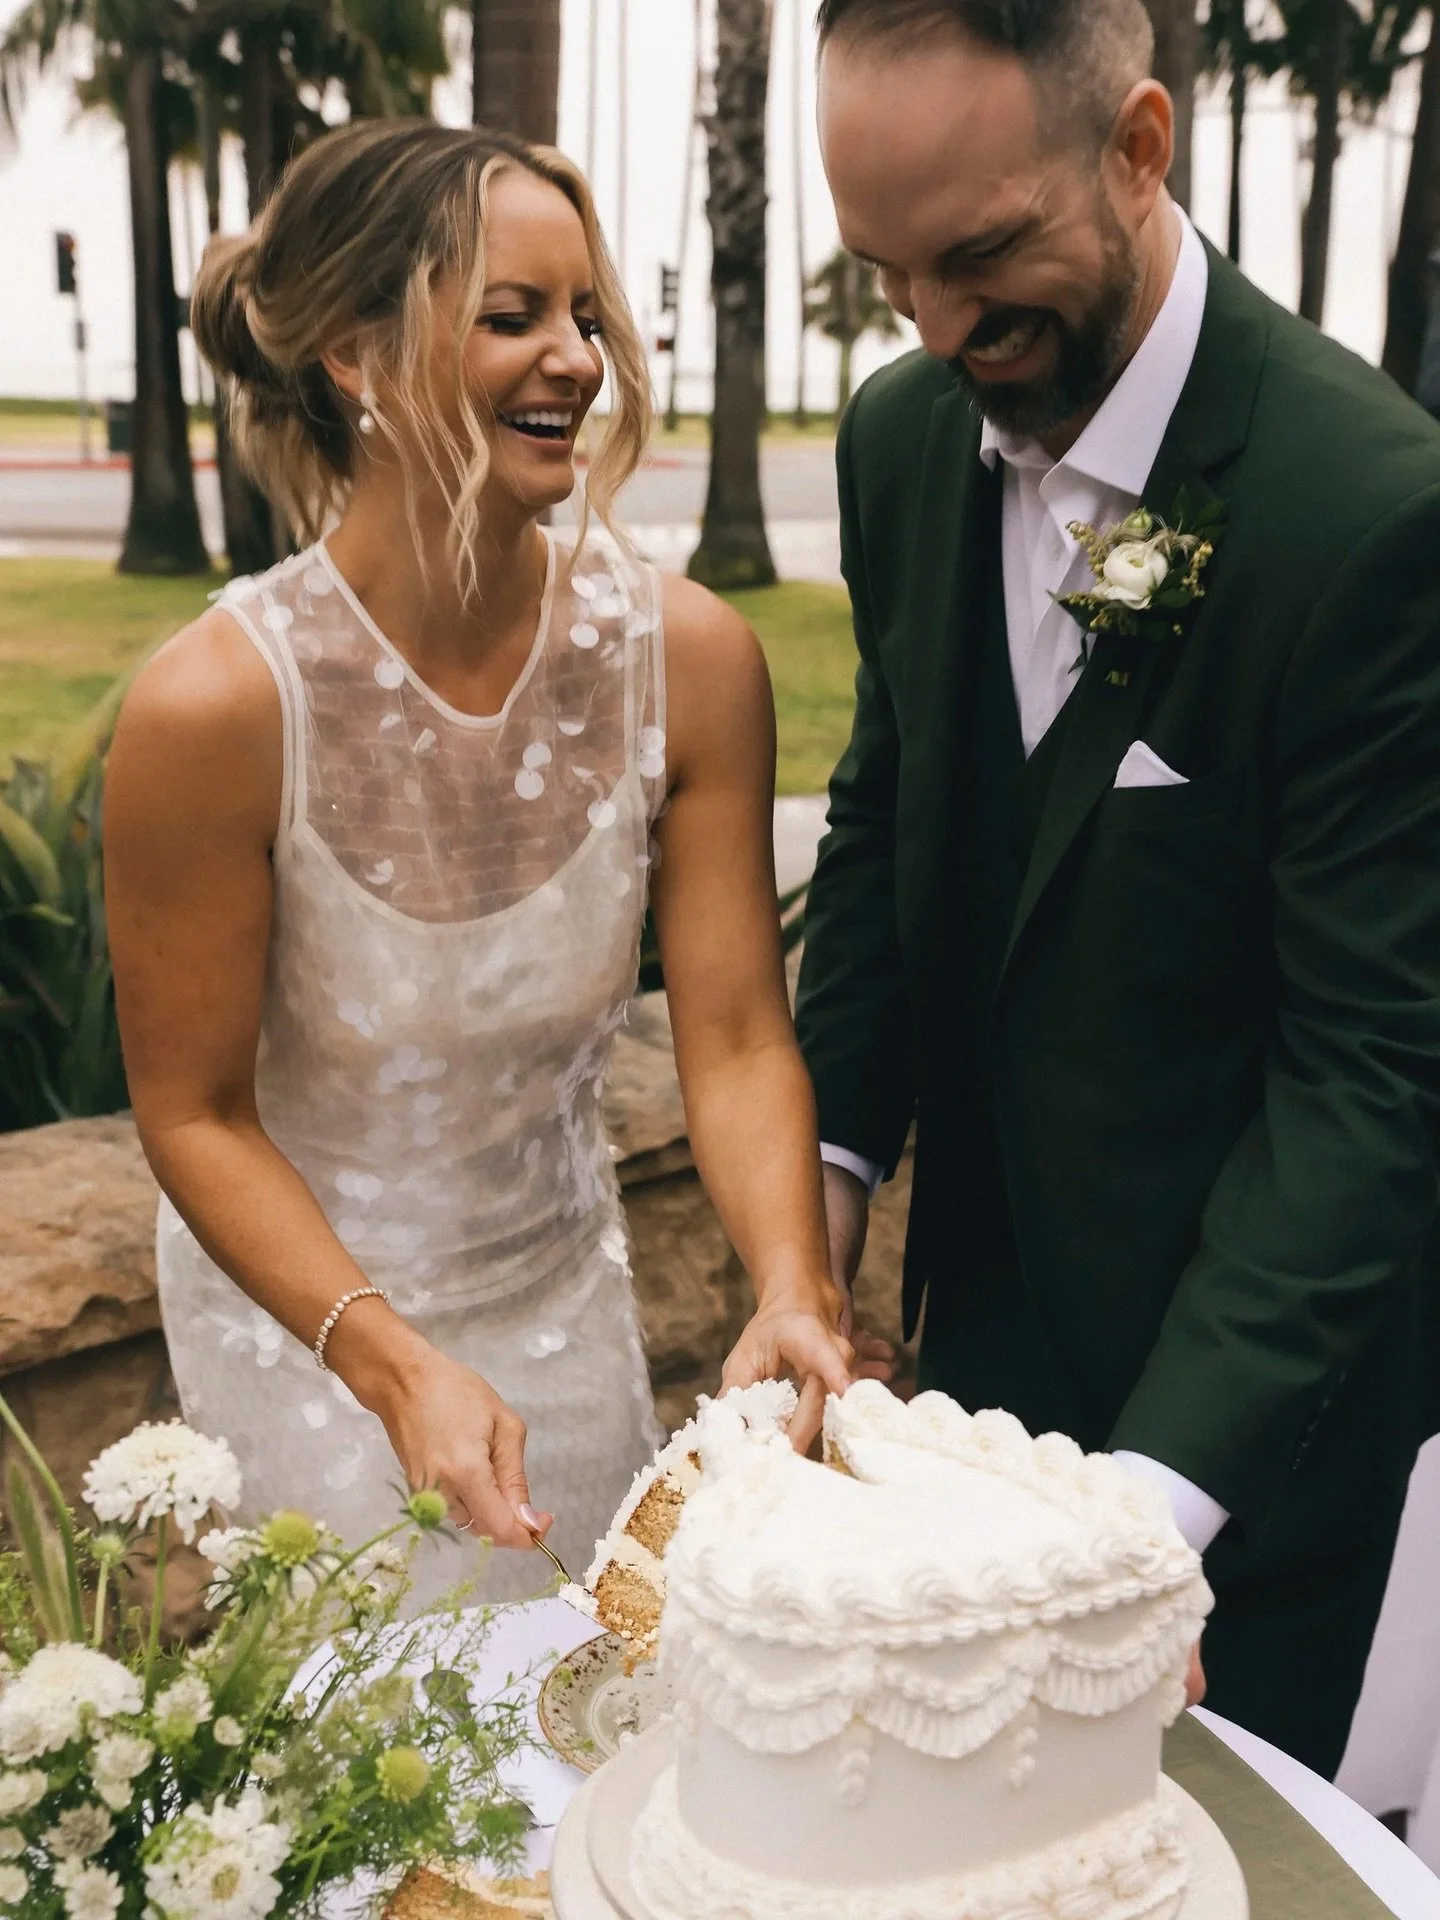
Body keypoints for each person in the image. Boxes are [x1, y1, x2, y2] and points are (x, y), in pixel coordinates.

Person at [798, 0, 1440, 1776]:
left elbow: (1371, 1074)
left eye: (984, 255)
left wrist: (1143, 1522)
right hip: (973, 1402)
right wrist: (821, 1200)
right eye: (886, 273)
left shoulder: (1366, 512)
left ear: (1140, 146)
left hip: (1251, 1461)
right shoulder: (897, 446)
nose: (934, 328)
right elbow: (885, 833)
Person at [105, 120, 853, 1604]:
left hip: (562, 1312)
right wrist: (386, 1363)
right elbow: (191, 1113)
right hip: (311, 1339)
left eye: (584, 315)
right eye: (512, 316)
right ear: (356, 360)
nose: (575, 357)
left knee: (589, 1744)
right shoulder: (215, 708)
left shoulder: (690, 660)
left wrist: (790, 1281)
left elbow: (737, 1032)